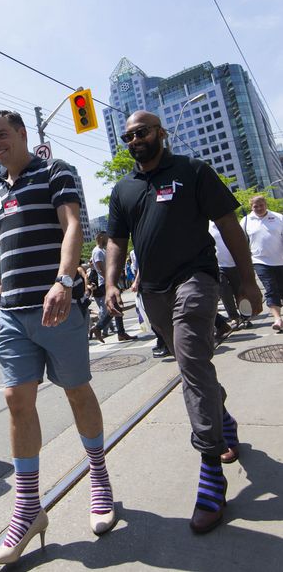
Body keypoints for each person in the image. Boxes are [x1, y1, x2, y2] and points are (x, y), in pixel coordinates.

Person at [105, 111, 262, 534]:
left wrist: (248, 282)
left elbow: (229, 225)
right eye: (128, 136)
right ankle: (222, 418)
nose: (135, 139)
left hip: (196, 277)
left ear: (161, 133)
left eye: (142, 132)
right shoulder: (123, 189)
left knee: (192, 362)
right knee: (192, 366)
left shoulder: (193, 171)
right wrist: (111, 283)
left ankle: (210, 469)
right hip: (153, 291)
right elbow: (117, 241)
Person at [0, 110, 115, 565]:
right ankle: (27, 509)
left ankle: (99, 479)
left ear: (22, 134)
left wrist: (64, 281)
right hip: (13, 316)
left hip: (58, 308)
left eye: (2, 135)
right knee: (16, 400)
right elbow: (7, 250)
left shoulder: (55, 171)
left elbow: (72, 225)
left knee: (78, 393)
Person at [241, 195, 283, 331]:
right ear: (251, 207)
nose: (259, 208)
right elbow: (242, 242)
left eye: (261, 205)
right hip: (260, 261)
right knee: (271, 290)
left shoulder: (278, 217)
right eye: (255, 206)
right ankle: (278, 319)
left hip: (280, 260)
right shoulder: (246, 221)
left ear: (266, 204)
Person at [90, 231, 133, 342]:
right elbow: (100, 269)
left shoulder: (102, 250)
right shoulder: (97, 251)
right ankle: (100, 328)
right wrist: (110, 283)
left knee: (117, 307)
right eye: (106, 236)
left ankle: (119, 332)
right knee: (116, 306)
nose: (108, 238)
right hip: (106, 283)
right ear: (100, 237)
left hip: (108, 282)